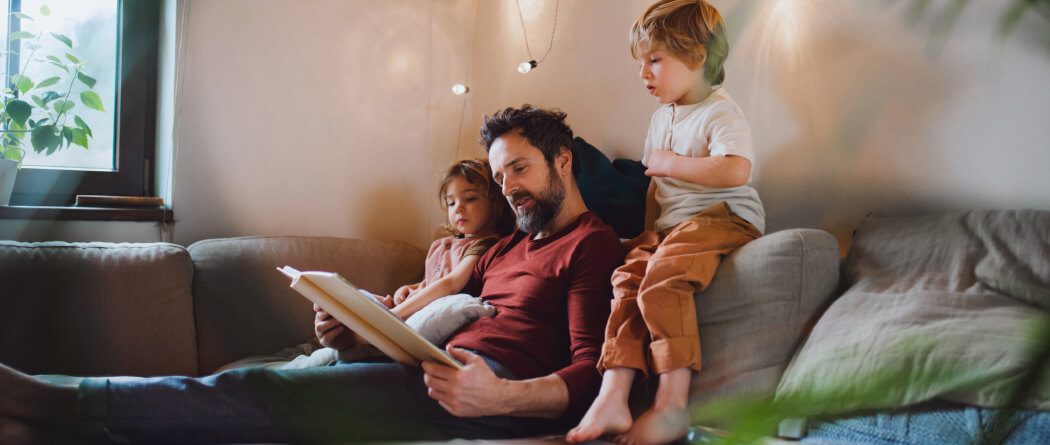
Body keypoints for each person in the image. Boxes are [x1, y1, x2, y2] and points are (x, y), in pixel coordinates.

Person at [0, 104, 625, 444]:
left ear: (562, 161)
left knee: (268, 396)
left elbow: (588, 367)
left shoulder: (591, 245)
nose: (508, 188)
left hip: (482, 396)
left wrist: (503, 398)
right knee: (287, 378)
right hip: (430, 368)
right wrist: (352, 329)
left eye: (520, 169)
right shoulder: (501, 247)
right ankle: (49, 406)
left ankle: (52, 399)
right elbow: (436, 305)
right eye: (501, 176)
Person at [567, 1, 765, 444]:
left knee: (663, 280)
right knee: (627, 279)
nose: (644, 74)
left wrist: (671, 162)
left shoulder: (720, 112)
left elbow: (735, 170)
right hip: (674, 225)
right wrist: (644, 233)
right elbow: (655, 189)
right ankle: (613, 395)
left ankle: (672, 404)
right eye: (641, 63)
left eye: (655, 60)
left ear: (698, 55)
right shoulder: (661, 118)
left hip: (723, 216)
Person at [313, 158, 516, 360]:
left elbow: (451, 283)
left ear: (496, 202)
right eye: (451, 202)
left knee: (364, 313)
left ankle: (353, 338)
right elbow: (434, 281)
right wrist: (413, 287)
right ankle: (335, 327)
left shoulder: (486, 244)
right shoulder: (444, 245)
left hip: (415, 317)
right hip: (405, 309)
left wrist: (391, 317)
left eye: (470, 199)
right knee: (356, 297)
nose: (458, 208)